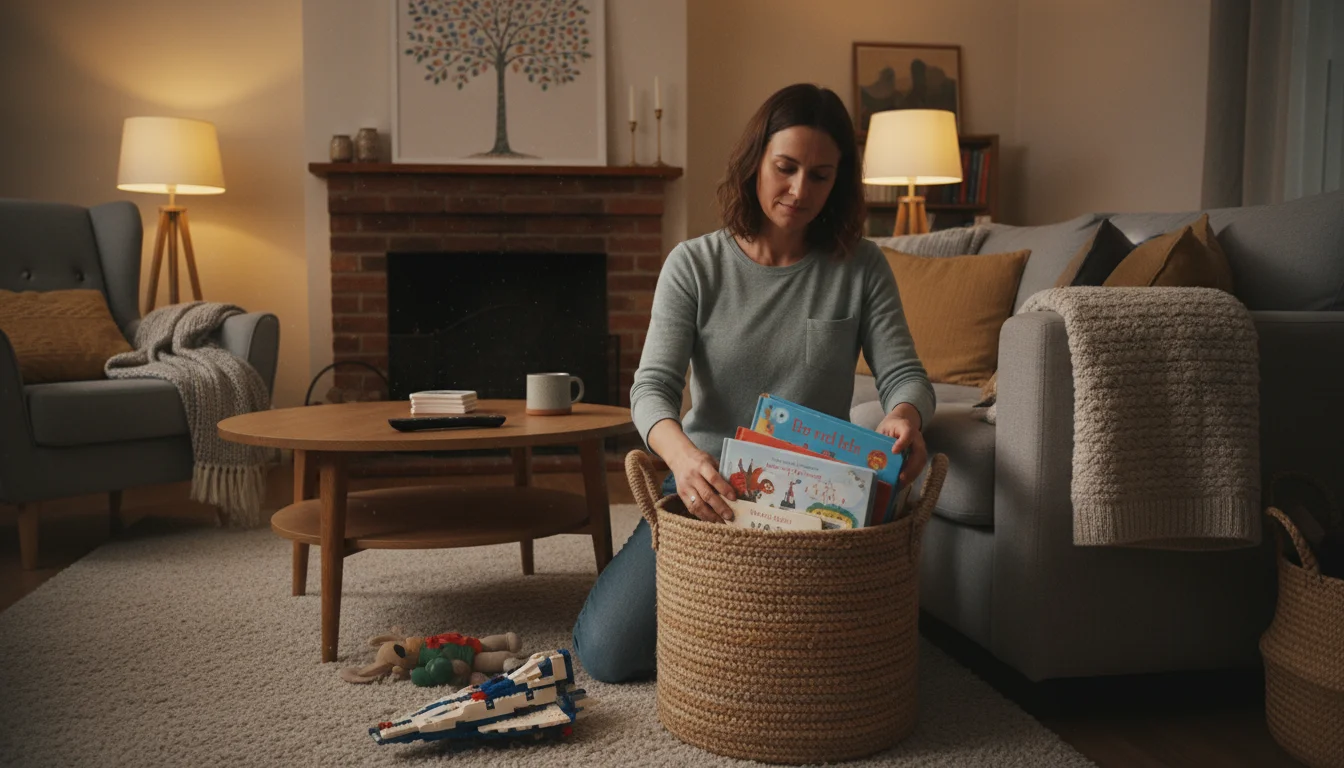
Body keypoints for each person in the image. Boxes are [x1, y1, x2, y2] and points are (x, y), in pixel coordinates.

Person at [571, 83, 935, 683]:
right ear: (754, 163)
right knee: (609, 654)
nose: (798, 191)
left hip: (819, 508)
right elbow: (651, 389)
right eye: (785, 168)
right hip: (707, 497)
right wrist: (684, 461)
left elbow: (904, 375)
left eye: (820, 176)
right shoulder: (693, 265)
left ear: (839, 182)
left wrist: (905, 416)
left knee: (838, 665)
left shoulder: (862, 266)